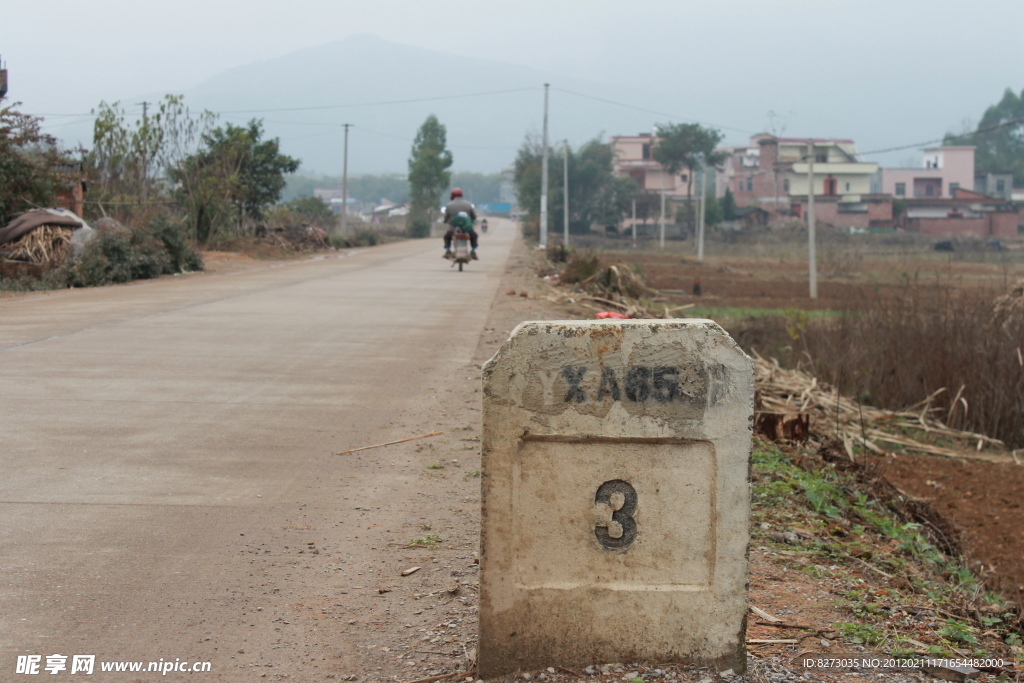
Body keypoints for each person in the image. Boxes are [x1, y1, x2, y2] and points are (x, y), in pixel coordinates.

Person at [442, 188, 478, 259]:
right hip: (466, 228)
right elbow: (473, 216)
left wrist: (445, 221)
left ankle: (448, 250)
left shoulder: (449, 205)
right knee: (474, 236)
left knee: (447, 237)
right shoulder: (468, 204)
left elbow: (446, 217)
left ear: (452, 195)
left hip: (454, 228)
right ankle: (473, 251)